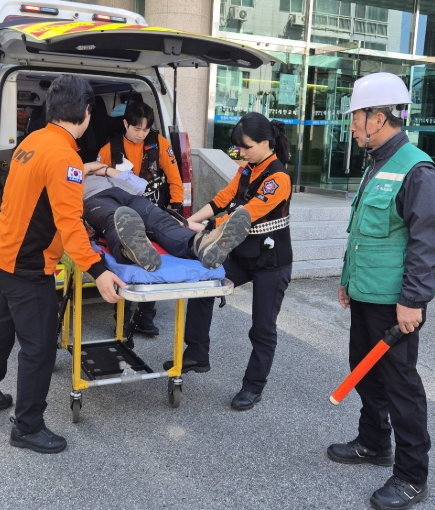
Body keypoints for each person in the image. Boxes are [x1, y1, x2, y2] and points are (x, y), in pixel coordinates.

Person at [0, 75, 126, 455]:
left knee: (0, 327)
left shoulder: (33, 141)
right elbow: (70, 225)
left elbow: (44, 180)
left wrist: (90, 168)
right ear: (86, 113)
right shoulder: (64, 157)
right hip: (26, 267)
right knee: (39, 347)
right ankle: (27, 427)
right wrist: (99, 270)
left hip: (0, 253)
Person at [327, 72, 435, 510]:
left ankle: (412, 476)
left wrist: (413, 300)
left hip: (395, 304)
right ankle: (374, 442)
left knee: (401, 386)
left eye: (356, 117)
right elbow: (362, 230)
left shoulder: (416, 168)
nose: (352, 126)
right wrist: (347, 277)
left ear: (377, 118)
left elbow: (426, 242)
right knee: (364, 371)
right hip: (366, 293)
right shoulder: (377, 163)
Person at [163, 113, 293, 411]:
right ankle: (197, 353)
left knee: (262, 328)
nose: (241, 152)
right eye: (239, 147)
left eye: (246, 147)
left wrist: (203, 227)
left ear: (265, 143)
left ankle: (253, 386)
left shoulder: (278, 179)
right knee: (203, 284)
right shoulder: (247, 169)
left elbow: (244, 215)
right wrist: (187, 220)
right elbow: (222, 199)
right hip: (243, 254)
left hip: (272, 262)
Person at [97, 102, 184, 336]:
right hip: (122, 213)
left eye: (145, 129)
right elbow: (97, 182)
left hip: (153, 211)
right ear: (125, 123)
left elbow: (175, 177)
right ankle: (123, 319)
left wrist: (176, 206)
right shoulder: (109, 149)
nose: (141, 134)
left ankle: (146, 317)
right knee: (126, 261)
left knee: (153, 259)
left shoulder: (159, 144)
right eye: (136, 129)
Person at [81, 162, 251, 273]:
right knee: (114, 218)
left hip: (130, 196)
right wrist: (86, 167)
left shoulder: (112, 174)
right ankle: (130, 250)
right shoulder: (75, 174)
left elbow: (140, 185)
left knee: (161, 219)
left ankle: (200, 245)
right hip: (94, 198)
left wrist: (105, 169)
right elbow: (68, 184)